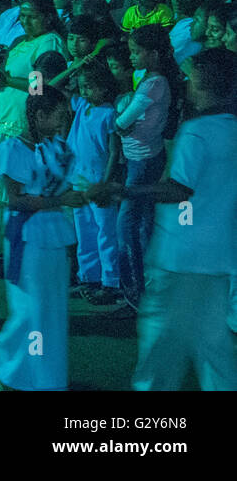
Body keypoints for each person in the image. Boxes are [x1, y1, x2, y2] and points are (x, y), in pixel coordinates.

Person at [89, 47, 237, 390]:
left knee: (160, 340)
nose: (185, 84)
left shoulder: (197, 131)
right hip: (219, 258)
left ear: (206, 83)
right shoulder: (231, 127)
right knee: (212, 343)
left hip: (181, 256)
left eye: (190, 78)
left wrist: (123, 191)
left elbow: (178, 189)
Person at [0, 88, 85, 391]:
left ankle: (46, 380)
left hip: (55, 236)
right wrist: (63, 200)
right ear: (40, 115)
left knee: (53, 311)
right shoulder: (13, 149)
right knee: (30, 309)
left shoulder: (59, 149)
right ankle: (6, 364)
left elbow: (70, 189)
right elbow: (16, 200)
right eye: (58, 114)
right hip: (27, 237)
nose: (63, 119)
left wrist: (86, 194)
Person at [0, 0, 68, 254]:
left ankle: (20, 245)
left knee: (17, 186)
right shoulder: (21, 42)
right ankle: (1, 247)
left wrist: (6, 81)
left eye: (32, 16)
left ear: (48, 17)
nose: (26, 21)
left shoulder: (49, 42)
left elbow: (44, 85)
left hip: (21, 127)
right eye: (23, 16)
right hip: (2, 123)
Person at [112, 24, 177, 314]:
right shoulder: (150, 79)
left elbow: (122, 121)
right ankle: (149, 291)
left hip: (142, 161)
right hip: (145, 157)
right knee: (143, 225)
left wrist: (121, 122)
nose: (132, 56)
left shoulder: (153, 83)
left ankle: (135, 293)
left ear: (154, 53)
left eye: (137, 51)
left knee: (127, 226)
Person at [67, 60, 121, 305]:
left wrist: (106, 182)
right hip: (79, 181)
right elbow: (54, 87)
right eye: (82, 87)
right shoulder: (81, 107)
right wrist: (75, 68)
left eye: (90, 87)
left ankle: (110, 282)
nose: (84, 92)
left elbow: (112, 152)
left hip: (98, 182)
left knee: (104, 232)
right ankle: (89, 277)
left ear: (104, 87)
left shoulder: (109, 114)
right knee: (84, 230)